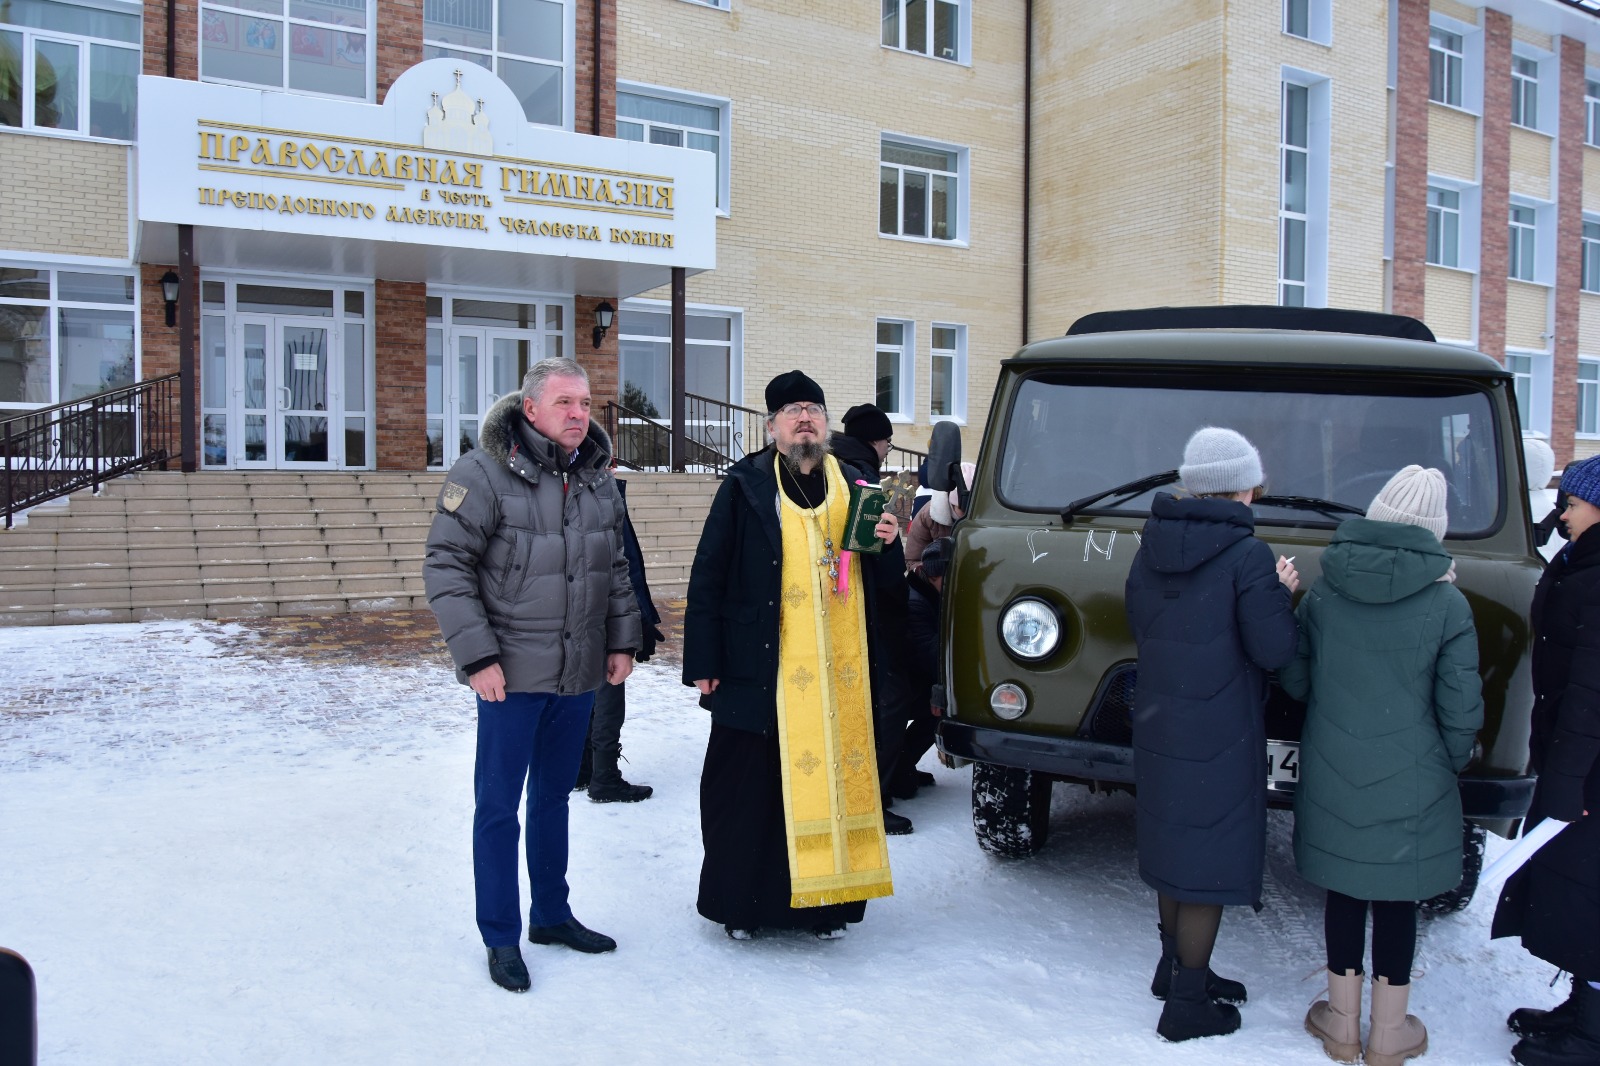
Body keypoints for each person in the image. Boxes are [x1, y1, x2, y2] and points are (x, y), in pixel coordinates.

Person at [423, 357, 641, 994]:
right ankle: (500, 935)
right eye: (566, 403)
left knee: (552, 800)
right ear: (531, 409)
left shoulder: (598, 477)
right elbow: (447, 567)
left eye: (586, 403)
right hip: (510, 677)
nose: (580, 414)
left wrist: (621, 640)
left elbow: (616, 568)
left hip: (576, 674)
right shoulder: (483, 473)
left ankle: (551, 915)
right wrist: (479, 658)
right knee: (498, 808)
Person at [683, 370, 906, 940]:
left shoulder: (857, 483)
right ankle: (745, 906)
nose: (804, 418)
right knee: (749, 787)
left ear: (826, 423)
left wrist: (889, 542)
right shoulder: (745, 485)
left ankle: (826, 906)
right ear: (772, 426)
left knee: (834, 785)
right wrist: (704, 662)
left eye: (813, 409)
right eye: (792, 411)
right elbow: (709, 574)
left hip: (839, 675)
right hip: (763, 667)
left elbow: (884, 580)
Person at [1278, 466, 1483, 1066]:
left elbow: (1295, 679)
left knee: (1346, 886)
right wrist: (1443, 763)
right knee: (1398, 893)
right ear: (1434, 530)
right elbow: (1459, 705)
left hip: (1333, 761)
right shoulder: (1448, 603)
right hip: (1413, 769)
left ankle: (1342, 1023)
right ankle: (1390, 1033)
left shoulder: (1324, 588)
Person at [1124, 426, 1299, 1042]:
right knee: (1206, 854)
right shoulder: (1248, 555)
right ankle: (1187, 1004)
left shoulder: (1152, 543)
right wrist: (1282, 594)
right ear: (1239, 486)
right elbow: (1273, 647)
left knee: (1176, 841)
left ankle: (1175, 970)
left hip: (1162, 717)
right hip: (1220, 724)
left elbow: (1140, 619)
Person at [1491, 454, 1600, 1066]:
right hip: (1575, 751)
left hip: (1589, 760)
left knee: (1591, 891)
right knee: (1576, 885)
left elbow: (1592, 692)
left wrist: (1568, 779)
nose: (1564, 512)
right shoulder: (1580, 560)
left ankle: (1592, 1036)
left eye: (1575, 504)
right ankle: (1582, 1007)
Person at [573, 470, 666, 803]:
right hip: (600, 611)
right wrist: (638, 616)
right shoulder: (594, 493)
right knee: (607, 693)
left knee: (587, 693)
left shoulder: (578, 489)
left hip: (580, 610)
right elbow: (623, 564)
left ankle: (583, 769)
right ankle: (604, 776)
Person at [891, 535, 950, 800]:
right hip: (904, 686)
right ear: (931, 576)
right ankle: (900, 769)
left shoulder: (929, 591)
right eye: (942, 579)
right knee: (939, 710)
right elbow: (931, 653)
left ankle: (903, 765)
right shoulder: (916, 601)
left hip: (912, 680)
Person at [906, 461, 973, 573]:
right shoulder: (928, 515)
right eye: (962, 509)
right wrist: (935, 574)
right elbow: (912, 561)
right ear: (952, 503)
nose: (968, 514)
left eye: (973, 508)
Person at [829, 403, 893, 481]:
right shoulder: (864, 475)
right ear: (875, 439)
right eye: (888, 441)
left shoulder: (834, 460)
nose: (887, 449)